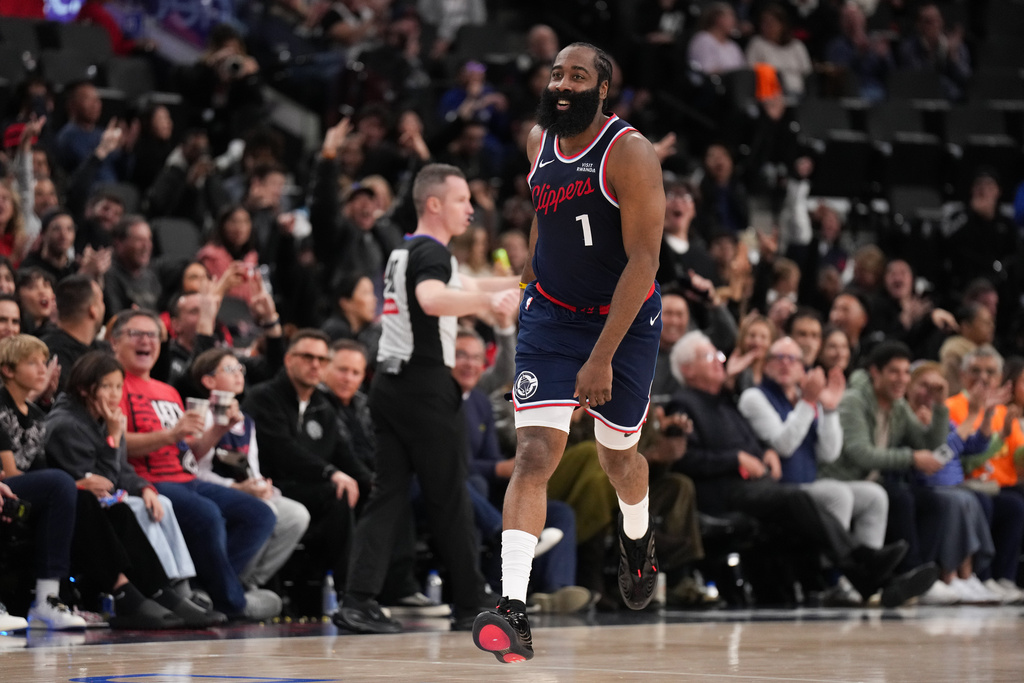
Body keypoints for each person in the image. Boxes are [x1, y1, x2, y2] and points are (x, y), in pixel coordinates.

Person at [472, 43, 665, 664]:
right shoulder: (538, 142)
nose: (562, 83)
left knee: (617, 458)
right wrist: (530, 280)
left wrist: (602, 356)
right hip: (551, 316)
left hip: (623, 321)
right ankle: (514, 608)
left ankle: (637, 537)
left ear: (602, 90)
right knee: (535, 453)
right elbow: (543, 218)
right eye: (557, 72)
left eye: (577, 75)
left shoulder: (629, 153)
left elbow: (644, 261)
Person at [331, 163, 519, 637]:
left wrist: (520, 284)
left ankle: (357, 600)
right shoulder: (432, 255)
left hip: (390, 386)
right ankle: (471, 603)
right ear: (434, 204)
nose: (471, 209)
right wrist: (488, 306)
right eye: (462, 200)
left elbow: (466, 286)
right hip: (423, 387)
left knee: (387, 493)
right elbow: (435, 299)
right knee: (451, 496)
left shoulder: (406, 251)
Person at [668, 331, 937, 607]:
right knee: (799, 498)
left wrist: (765, 453)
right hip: (720, 491)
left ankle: (876, 579)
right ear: (687, 369)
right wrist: (735, 459)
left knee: (806, 501)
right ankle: (858, 565)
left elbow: (764, 445)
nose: (718, 361)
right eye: (709, 357)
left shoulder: (724, 403)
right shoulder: (684, 404)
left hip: (753, 486)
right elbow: (685, 460)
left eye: (718, 355)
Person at [111, 309, 280, 620]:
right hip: (147, 478)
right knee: (208, 515)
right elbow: (118, 442)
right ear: (114, 343)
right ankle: (233, 602)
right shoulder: (115, 386)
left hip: (183, 476)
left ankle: (205, 590)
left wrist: (220, 429)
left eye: (153, 335)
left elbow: (186, 449)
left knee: (260, 515)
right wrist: (170, 434)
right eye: (137, 334)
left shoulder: (169, 391)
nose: (147, 341)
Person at [44, 350, 224, 626]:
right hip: (78, 506)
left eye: (118, 386)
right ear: (83, 388)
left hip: (101, 499)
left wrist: (145, 487)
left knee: (156, 502)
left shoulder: (105, 417)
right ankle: (135, 594)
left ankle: (166, 590)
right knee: (128, 508)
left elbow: (124, 470)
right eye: (106, 386)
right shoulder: (67, 424)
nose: (115, 394)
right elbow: (103, 482)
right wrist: (114, 439)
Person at [191, 348, 311, 593]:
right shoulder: (199, 416)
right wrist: (236, 488)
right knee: (263, 511)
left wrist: (262, 487)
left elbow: (251, 468)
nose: (238, 374)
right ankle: (223, 583)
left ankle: (249, 582)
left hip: (245, 490)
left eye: (240, 368)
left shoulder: (247, 422)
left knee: (297, 515)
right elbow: (195, 471)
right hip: (212, 491)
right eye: (229, 369)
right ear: (209, 380)